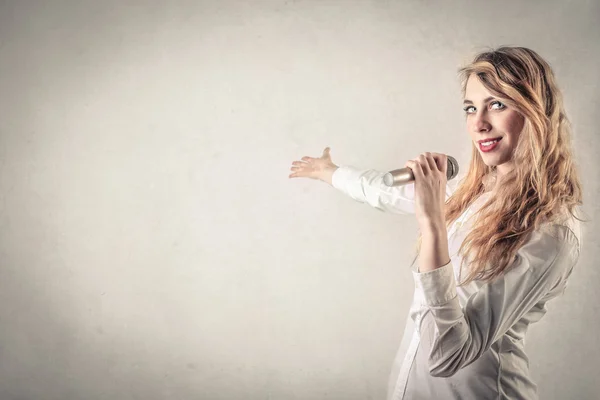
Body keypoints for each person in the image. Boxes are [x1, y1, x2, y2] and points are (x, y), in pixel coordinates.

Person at [288, 46, 588, 400]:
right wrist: (330, 172)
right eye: (470, 108)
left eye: (497, 104)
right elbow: (385, 191)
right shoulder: (471, 191)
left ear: (536, 111)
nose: (478, 123)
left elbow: (450, 356)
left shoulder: (552, 231)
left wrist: (432, 225)